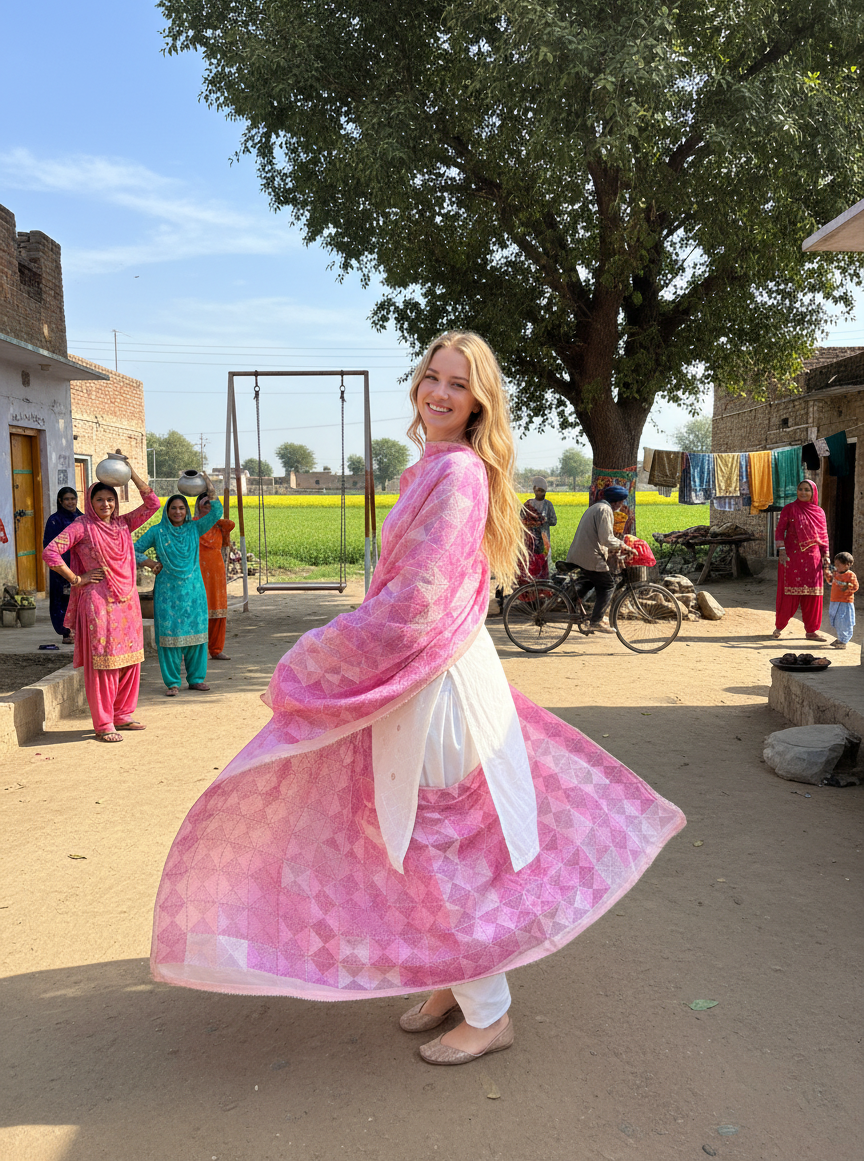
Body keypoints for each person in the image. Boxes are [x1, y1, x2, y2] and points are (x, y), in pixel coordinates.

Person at [150, 331, 685, 1067]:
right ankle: (449, 981)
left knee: (437, 843)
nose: (437, 392)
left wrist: (316, 656)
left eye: (456, 384)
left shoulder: (459, 476)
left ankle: (490, 1010)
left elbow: (415, 604)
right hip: (423, 676)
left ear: (478, 402)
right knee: (409, 836)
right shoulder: (431, 468)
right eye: (431, 376)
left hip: (436, 684)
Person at [42, 461, 159, 743]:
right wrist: (76, 578)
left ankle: (122, 714)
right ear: (90, 502)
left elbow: (153, 503)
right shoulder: (82, 526)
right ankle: (104, 722)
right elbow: (50, 553)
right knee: (104, 663)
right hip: (98, 602)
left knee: (130, 661)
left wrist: (130, 473)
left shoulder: (123, 523)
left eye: (110, 499)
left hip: (126, 600)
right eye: (99, 500)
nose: (105, 504)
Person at [134, 477, 224, 696]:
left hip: (194, 592)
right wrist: (150, 563)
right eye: (173, 508)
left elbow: (216, 512)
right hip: (167, 593)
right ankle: (172, 683)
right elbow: (134, 549)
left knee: (197, 636)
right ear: (167, 511)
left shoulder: (195, 528)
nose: (177, 512)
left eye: (181, 508)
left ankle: (196, 679)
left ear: (186, 510)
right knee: (169, 638)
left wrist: (210, 489)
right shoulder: (157, 531)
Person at [565, 484, 633, 633]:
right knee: (608, 584)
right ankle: (596, 621)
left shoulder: (596, 507)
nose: (621, 505)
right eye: (621, 502)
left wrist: (616, 547)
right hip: (590, 555)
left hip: (581, 553)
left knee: (591, 581)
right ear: (616, 501)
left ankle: (571, 602)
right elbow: (606, 539)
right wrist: (623, 546)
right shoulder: (605, 510)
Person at [772, 480, 831, 642]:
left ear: (813, 493)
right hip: (792, 558)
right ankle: (779, 626)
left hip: (813, 560)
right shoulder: (789, 509)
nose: (803, 492)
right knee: (789, 593)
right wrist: (782, 551)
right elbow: (779, 531)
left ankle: (812, 631)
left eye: (807, 490)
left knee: (813, 596)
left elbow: (824, 539)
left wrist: (826, 560)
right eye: (800, 489)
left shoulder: (819, 512)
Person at [195, 493, 235, 660]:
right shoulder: (193, 524)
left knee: (218, 610)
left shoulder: (219, 526)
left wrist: (215, 517)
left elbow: (230, 524)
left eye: (211, 505)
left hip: (217, 572)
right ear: (198, 507)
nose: (208, 508)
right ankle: (197, 650)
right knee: (199, 609)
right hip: (198, 571)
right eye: (205, 504)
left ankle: (216, 649)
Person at [43, 487, 83, 643]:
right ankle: (66, 632)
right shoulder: (54, 520)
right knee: (63, 599)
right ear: (60, 501)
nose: (71, 502)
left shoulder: (82, 518)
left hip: (81, 567)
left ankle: (80, 631)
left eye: (73, 498)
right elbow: (49, 546)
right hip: (62, 569)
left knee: (81, 599)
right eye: (67, 499)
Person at [826, 552, 858, 650]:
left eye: (838, 565)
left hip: (845, 602)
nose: (836, 567)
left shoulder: (850, 575)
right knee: (837, 620)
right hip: (835, 600)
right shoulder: (836, 573)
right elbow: (830, 581)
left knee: (844, 621)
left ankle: (843, 640)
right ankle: (840, 638)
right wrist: (827, 573)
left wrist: (846, 588)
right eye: (835, 564)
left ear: (847, 565)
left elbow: (855, 587)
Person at [530, 476, 557, 573]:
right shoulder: (529, 504)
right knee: (532, 565)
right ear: (534, 490)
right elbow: (521, 521)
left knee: (545, 565)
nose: (540, 493)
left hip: (544, 540)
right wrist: (532, 521)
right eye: (538, 490)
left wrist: (544, 520)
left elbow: (554, 521)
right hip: (531, 541)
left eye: (542, 491)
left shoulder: (548, 505)